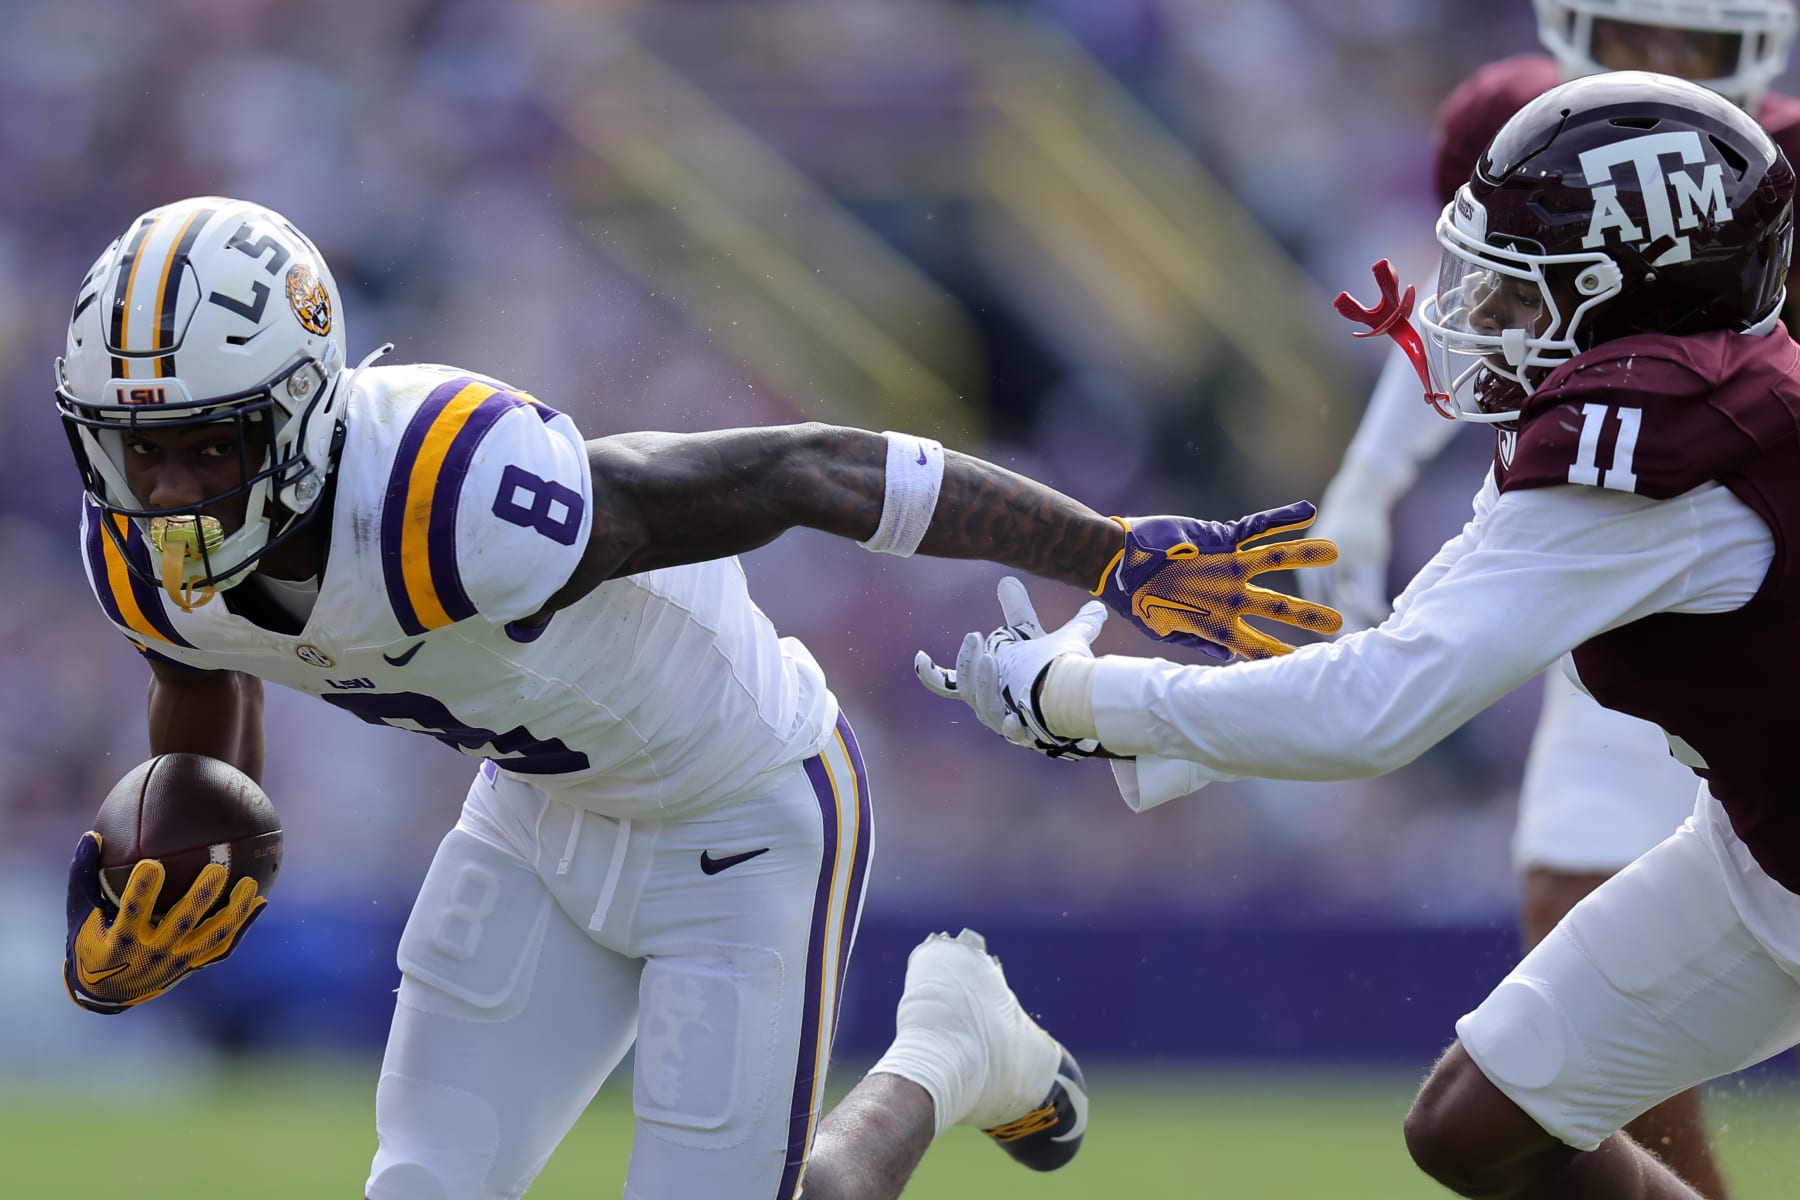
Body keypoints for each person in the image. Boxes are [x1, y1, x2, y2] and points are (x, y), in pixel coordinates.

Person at [53, 195, 1340, 1200]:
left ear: (302, 412)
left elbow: (802, 470)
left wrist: (1108, 554)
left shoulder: (457, 493)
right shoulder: (146, 562)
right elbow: (209, 758)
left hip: (744, 809)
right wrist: (146, 929)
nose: (168, 495)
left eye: (208, 446)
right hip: (539, 822)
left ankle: (949, 1051)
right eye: (136, 451)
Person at [922, 71, 1800, 1200]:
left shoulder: (1657, 448)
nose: (1483, 316)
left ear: (1618, 294)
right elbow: (1418, 639)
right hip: (1763, 842)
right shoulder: (1669, 400)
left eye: (1520, 291)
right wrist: (1188, 731)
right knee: (1476, 1126)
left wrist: (1083, 699)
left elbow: (1379, 710)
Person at [1297, 3, 1799, 1189]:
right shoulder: (1523, 133)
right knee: (1570, 897)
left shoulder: (1773, 171)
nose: (1658, 64)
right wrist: (1365, 486)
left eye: (1690, 44)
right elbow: (1477, 306)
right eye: (1631, 32)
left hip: (1763, 563)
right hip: (1623, 565)